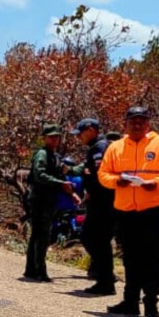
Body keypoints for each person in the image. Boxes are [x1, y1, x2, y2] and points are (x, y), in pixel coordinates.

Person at [98, 106, 159, 317]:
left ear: (148, 123)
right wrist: (117, 181)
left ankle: (151, 304)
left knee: (152, 259)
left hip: (154, 210)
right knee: (130, 259)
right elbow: (103, 174)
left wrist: (156, 184)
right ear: (125, 123)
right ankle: (130, 301)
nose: (137, 125)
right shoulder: (115, 147)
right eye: (133, 121)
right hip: (126, 211)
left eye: (141, 121)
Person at [69, 118, 117, 295]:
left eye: (80, 133)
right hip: (98, 200)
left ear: (90, 130)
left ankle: (105, 278)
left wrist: (92, 191)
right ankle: (105, 277)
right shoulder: (95, 148)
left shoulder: (100, 148)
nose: (78, 137)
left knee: (93, 238)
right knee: (95, 239)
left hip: (103, 202)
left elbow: (100, 176)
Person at [24, 125, 74, 282]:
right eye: (51, 137)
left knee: (38, 234)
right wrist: (59, 183)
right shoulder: (42, 154)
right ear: (44, 138)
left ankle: (32, 269)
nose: (55, 139)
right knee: (42, 235)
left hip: (48, 199)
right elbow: (40, 175)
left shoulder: (54, 156)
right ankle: (39, 271)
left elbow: (65, 171)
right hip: (40, 199)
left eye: (57, 137)